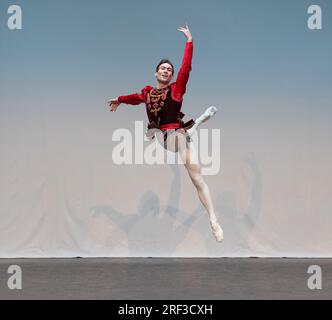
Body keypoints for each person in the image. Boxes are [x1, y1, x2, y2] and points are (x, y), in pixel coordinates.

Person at [108, 25, 223, 242]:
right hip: (166, 136)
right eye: (163, 68)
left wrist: (189, 41)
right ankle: (195, 123)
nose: (166, 70)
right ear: (156, 72)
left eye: (169, 69)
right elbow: (134, 97)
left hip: (177, 136)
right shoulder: (147, 92)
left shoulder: (176, 89)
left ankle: (213, 219)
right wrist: (120, 100)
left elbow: (185, 69)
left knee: (198, 179)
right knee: (171, 135)